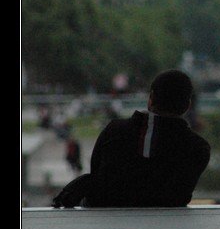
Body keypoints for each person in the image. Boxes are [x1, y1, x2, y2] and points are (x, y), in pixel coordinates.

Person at [52, 69, 211, 208]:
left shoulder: (114, 132)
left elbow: (97, 173)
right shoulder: (198, 149)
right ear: (187, 105)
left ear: (151, 98)